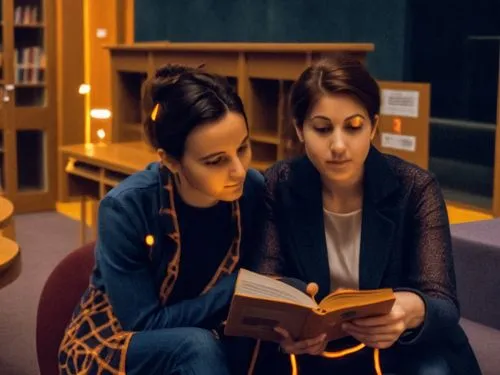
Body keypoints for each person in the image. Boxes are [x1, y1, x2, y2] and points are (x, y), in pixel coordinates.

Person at [253, 57, 482, 374]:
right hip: (314, 353)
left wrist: (406, 312)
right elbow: (266, 276)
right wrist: (285, 327)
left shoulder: (415, 187)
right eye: (322, 129)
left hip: (400, 349)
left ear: (373, 126)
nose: (338, 145)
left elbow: (442, 301)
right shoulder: (278, 184)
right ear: (299, 129)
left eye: (354, 127)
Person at [58, 64, 265, 375]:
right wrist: (238, 286)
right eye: (216, 160)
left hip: (212, 326)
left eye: (243, 148)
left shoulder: (252, 189)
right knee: (197, 346)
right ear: (170, 160)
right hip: (119, 339)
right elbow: (143, 322)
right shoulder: (125, 207)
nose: (238, 169)